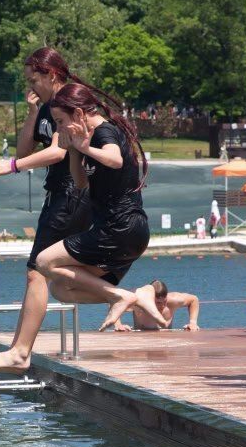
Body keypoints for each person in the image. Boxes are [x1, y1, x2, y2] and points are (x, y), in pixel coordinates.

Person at [0, 48, 94, 376]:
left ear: (52, 75)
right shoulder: (45, 109)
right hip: (58, 195)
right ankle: (18, 348)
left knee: (37, 271)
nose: (30, 85)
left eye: (34, 79)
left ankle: (20, 351)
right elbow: (26, 149)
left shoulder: (67, 105)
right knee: (46, 272)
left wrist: (10, 167)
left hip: (72, 193)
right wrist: (31, 114)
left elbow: (58, 152)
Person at [34, 82, 165, 333]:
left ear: (79, 114)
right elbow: (81, 183)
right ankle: (130, 296)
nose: (58, 129)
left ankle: (120, 297)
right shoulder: (87, 138)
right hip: (124, 232)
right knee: (60, 289)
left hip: (120, 228)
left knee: (43, 262)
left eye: (60, 121)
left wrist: (84, 147)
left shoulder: (104, 132)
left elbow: (115, 160)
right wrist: (74, 151)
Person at [110, 280, 200, 331]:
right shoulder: (138, 303)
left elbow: (194, 300)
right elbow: (114, 303)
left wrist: (193, 322)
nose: (162, 306)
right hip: (143, 344)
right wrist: (118, 325)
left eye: (164, 301)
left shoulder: (173, 300)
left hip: (167, 344)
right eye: (158, 303)